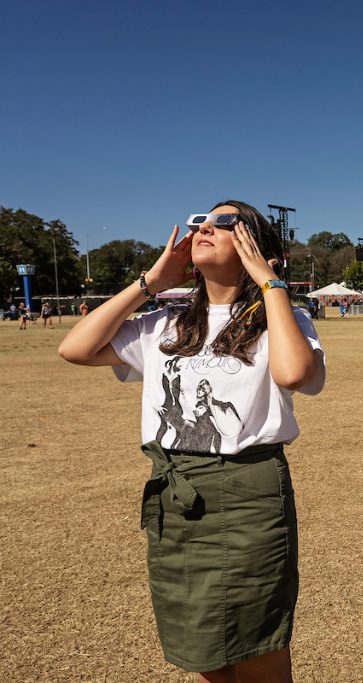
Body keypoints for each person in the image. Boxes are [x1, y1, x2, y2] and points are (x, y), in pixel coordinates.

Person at [58, 200, 326, 683]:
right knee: (201, 652)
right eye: (200, 220)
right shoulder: (166, 320)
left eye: (224, 222)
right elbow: (74, 349)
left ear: (253, 245)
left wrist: (269, 283)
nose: (204, 227)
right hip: (177, 498)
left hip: (248, 498)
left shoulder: (283, 317)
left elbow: (293, 373)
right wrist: (150, 284)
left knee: (258, 651)